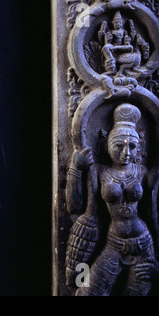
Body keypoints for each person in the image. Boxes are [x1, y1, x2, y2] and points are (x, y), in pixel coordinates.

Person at [67, 103, 159, 296]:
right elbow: (74, 206)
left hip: (143, 244)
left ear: (139, 147)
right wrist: (76, 168)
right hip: (113, 244)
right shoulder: (99, 171)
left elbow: (154, 207)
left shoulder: (141, 172)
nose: (126, 152)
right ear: (106, 144)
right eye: (119, 145)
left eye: (132, 146)